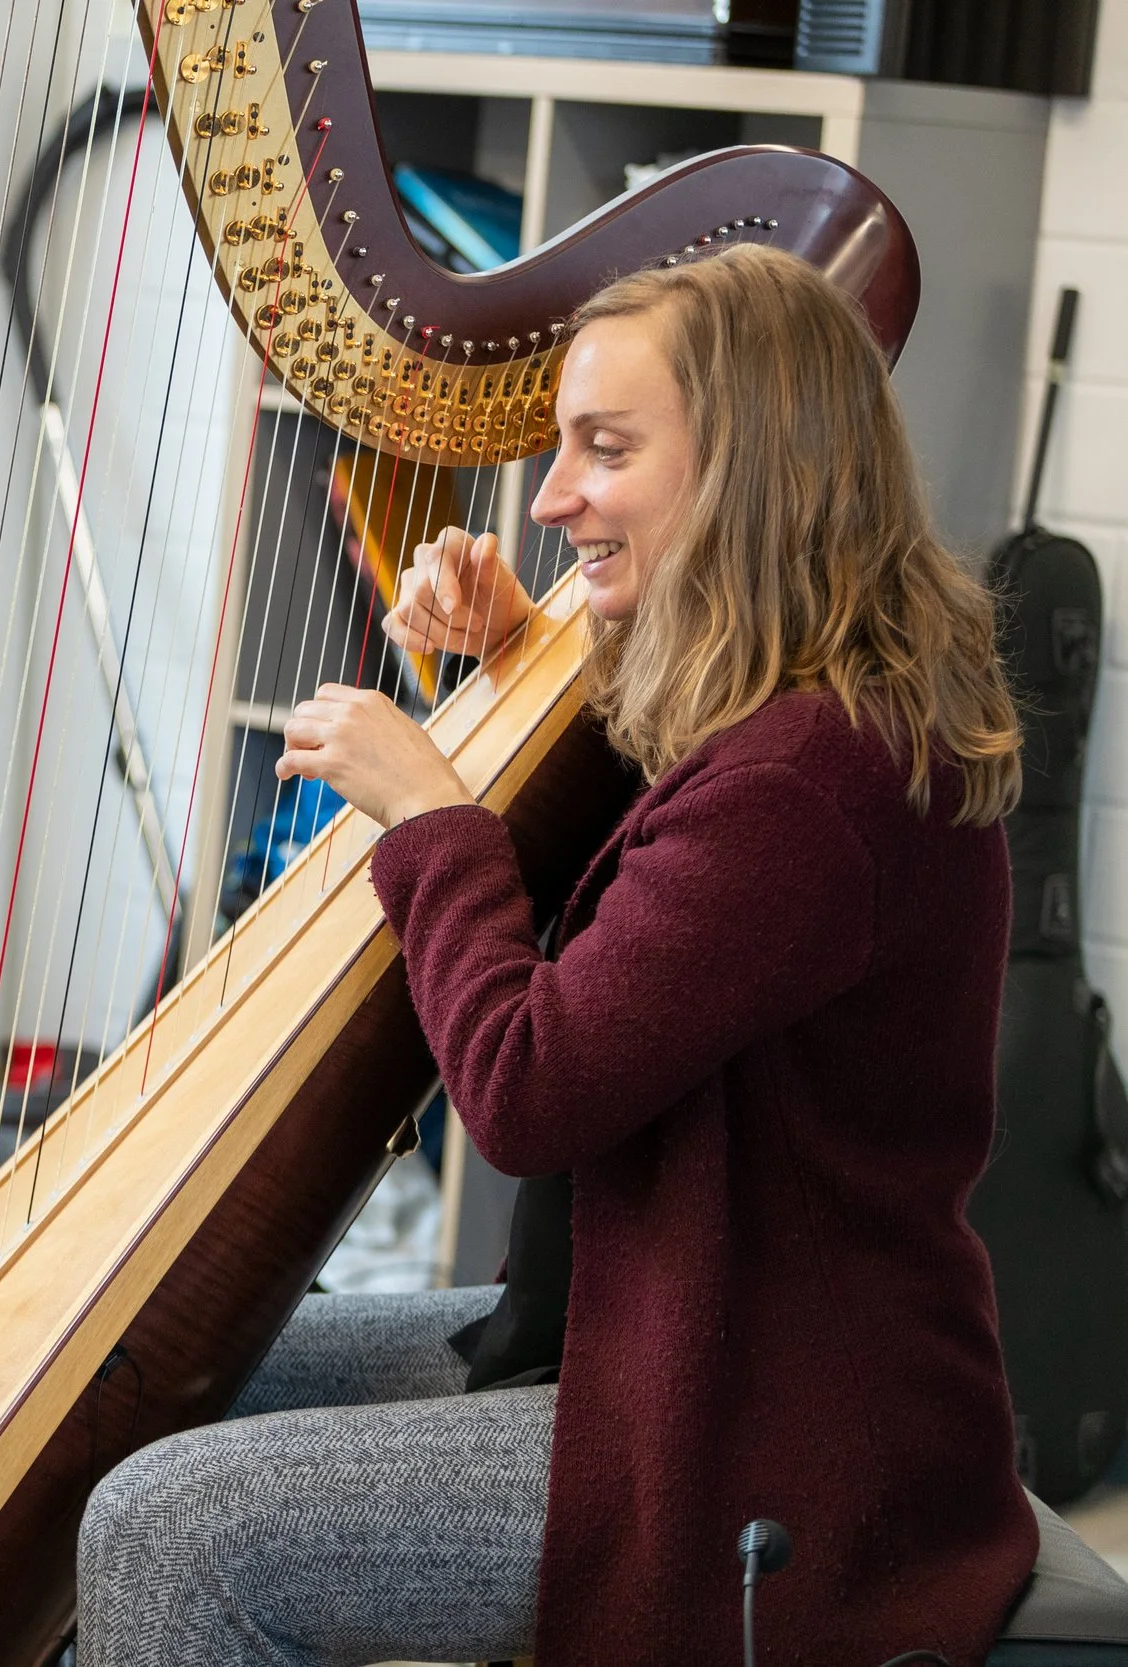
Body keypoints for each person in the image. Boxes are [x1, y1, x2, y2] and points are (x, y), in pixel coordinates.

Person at [75, 241, 1039, 1666]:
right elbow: (659, 913)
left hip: (756, 1429)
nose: (550, 496)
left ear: (750, 469)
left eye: (605, 448)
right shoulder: (804, 713)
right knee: (142, 1376)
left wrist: (430, 808)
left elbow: (531, 1086)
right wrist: (509, 660)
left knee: (168, 1522)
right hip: (652, 1325)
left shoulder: (806, 782)